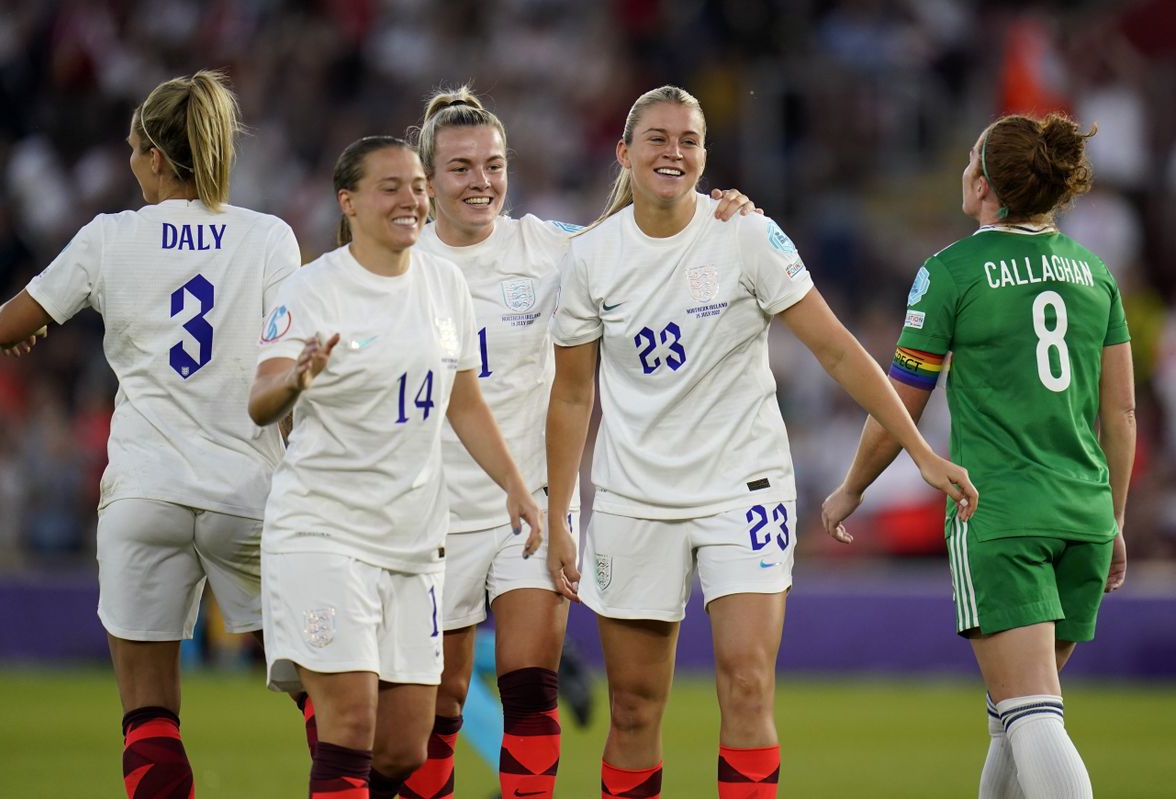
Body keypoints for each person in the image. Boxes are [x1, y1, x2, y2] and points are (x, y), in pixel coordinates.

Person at [545, 85, 978, 799]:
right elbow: (570, 394)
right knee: (632, 709)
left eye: (689, 139)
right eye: (656, 137)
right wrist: (565, 511)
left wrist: (921, 451)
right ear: (624, 152)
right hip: (631, 496)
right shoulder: (590, 257)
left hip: (741, 486)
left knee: (747, 685)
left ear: (706, 155)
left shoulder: (746, 235)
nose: (673, 151)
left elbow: (838, 350)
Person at [399, 87, 757, 799]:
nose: (481, 182)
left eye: (493, 165)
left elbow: (642, 231)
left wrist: (724, 214)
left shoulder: (549, 246)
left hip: (530, 503)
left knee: (532, 693)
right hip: (428, 509)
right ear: (428, 178)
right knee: (435, 706)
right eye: (462, 168)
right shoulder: (395, 261)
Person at [0, 70, 303, 799]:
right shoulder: (270, 237)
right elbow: (289, 367)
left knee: (150, 715)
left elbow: (7, 323)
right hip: (247, 490)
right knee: (325, 691)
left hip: (143, 493)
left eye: (135, 150)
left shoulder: (110, 238)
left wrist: (31, 329)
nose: (131, 164)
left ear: (158, 158)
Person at [822, 113, 1133, 799]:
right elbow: (1121, 413)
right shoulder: (1094, 274)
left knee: (1031, 714)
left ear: (985, 184)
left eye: (970, 160)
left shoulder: (951, 272)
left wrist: (852, 487)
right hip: (1083, 513)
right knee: (1012, 716)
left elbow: (902, 401)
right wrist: (1112, 520)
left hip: (1003, 514)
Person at [247, 135, 542, 799]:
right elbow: (260, 399)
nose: (410, 197)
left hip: (414, 541)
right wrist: (295, 379)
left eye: (415, 184)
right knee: (349, 722)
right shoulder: (313, 290)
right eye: (391, 186)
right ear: (347, 201)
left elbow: (464, 403)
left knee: (405, 746)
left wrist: (516, 485)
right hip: (325, 534)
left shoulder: (444, 286)